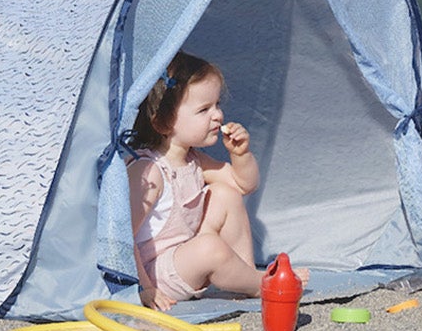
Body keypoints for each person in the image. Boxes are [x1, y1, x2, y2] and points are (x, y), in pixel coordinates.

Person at [128, 51, 307, 310]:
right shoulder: (149, 171)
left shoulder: (193, 160)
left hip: (182, 257)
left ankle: (243, 276)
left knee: (225, 194)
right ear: (163, 123)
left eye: (217, 105)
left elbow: (244, 185)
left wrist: (240, 154)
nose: (218, 115)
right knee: (208, 247)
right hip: (154, 277)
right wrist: (144, 289)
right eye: (204, 109)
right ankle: (260, 283)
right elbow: (123, 236)